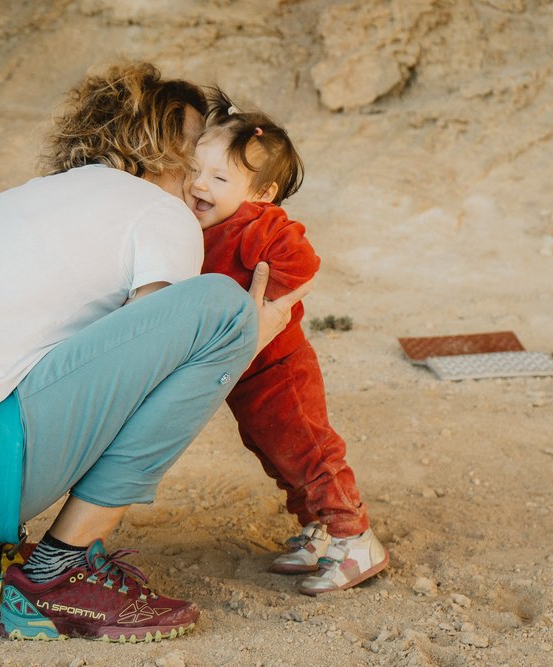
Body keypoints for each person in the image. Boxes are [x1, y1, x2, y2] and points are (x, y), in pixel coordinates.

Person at [0, 63, 310, 642]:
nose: (210, 165)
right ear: (159, 145)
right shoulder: (158, 211)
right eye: (202, 144)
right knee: (219, 310)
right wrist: (251, 332)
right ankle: (60, 571)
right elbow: (151, 364)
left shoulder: (27, 199)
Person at [185, 89, 388, 595]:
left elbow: (303, 263)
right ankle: (317, 529)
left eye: (220, 178)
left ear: (262, 193)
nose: (199, 184)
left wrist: (262, 304)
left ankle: (355, 536)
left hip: (280, 368)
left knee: (308, 449)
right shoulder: (202, 226)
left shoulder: (260, 225)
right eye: (196, 170)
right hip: (245, 376)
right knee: (273, 450)